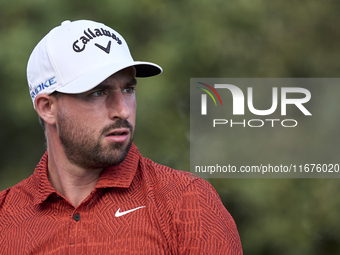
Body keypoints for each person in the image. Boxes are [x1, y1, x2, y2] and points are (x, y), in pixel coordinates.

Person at [0, 20, 242, 254]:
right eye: (98, 92)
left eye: (128, 89)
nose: (123, 110)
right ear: (47, 108)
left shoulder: (188, 201)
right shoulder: (5, 217)